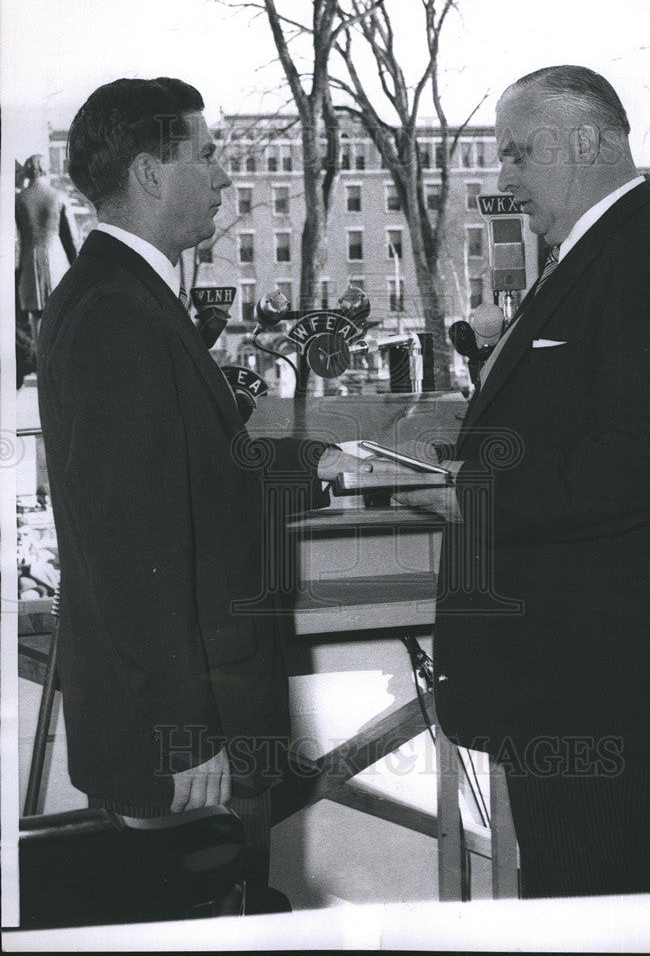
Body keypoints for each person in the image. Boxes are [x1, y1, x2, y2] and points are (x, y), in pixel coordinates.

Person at [396, 65, 650, 898]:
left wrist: (472, 495)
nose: (501, 178)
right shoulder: (592, 257)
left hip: (606, 697)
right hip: (571, 688)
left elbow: (649, 454)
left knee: (604, 903)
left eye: (515, 154)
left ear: (585, 141)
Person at [36, 77, 367, 913]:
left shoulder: (126, 293)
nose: (224, 177)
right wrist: (182, 736)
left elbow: (186, 473)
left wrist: (313, 463)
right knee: (179, 915)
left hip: (177, 720)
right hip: (178, 734)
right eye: (208, 154)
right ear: (150, 172)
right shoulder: (119, 310)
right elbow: (132, 550)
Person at [16, 153, 79, 353]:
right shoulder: (58, 197)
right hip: (57, 260)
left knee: (36, 316)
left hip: (28, 261)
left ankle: (41, 358)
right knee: (60, 313)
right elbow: (71, 239)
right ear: (46, 170)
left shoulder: (18, 200)